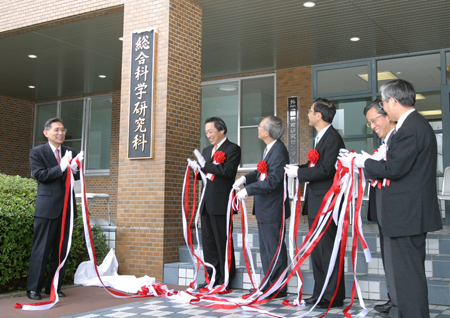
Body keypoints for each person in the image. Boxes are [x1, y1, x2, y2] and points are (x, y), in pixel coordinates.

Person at [353, 79, 443, 318]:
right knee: (401, 277)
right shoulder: (411, 126)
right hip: (404, 214)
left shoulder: (411, 128)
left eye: (383, 102)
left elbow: (394, 169)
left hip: (406, 214)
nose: (383, 106)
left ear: (393, 101)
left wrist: (364, 163)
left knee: (407, 278)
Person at [285, 98, 345, 308]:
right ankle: (321, 292)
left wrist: (299, 172)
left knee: (327, 249)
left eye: (310, 111)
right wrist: (296, 169)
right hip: (316, 200)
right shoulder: (322, 137)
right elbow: (315, 165)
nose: (308, 114)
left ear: (319, 115)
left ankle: (333, 295)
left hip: (326, 202)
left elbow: (327, 169)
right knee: (317, 249)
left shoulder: (332, 138)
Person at [233, 116, 290, 298]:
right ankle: (268, 283)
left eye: (260, 126)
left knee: (274, 248)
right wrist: (245, 179)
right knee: (266, 248)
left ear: (267, 132)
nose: (257, 128)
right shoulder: (270, 149)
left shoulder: (279, 150)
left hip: (273, 208)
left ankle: (278, 287)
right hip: (265, 208)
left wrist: (248, 190)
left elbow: (274, 181)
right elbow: (261, 171)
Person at [27, 117, 83, 300]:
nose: (61, 133)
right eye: (56, 130)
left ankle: (54, 287)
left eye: (63, 130)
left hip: (67, 208)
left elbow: (74, 179)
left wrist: (75, 169)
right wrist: (60, 167)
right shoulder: (37, 152)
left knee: (61, 251)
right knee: (41, 249)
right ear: (46, 133)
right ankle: (33, 288)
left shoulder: (70, 151)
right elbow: (40, 175)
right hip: (47, 209)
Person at [192, 117, 241, 290]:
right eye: (206, 132)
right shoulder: (206, 150)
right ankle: (211, 277)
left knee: (222, 241)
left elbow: (227, 172)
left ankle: (225, 278)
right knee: (208, 242)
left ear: (222, 130)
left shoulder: (233, 149)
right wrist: (196, 169)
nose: (208, 135)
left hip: (222, 202)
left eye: (210, 131)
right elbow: (202, 174)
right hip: (206, 202)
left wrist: (206, 165)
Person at [363, 99, 396, 315]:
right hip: (385, 209)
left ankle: (396, 301)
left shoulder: (399, 138)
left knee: (395, 261)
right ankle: (393, 299)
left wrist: (366, 163)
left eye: (374, 120)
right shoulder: (388, 141)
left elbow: (391, 170)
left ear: (388, 114)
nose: (373, 126)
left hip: (396, 210)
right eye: (369, 123)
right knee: (388, 258)